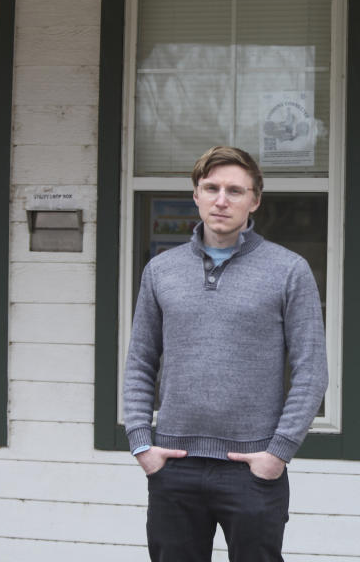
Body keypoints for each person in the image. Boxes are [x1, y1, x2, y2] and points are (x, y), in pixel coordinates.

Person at [123, 145, 328, 562]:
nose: (221, 199)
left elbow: (311, 372)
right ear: (195, 195)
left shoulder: (288, 270)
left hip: (252, 468)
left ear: (254, 200)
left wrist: (277, 454)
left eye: (235, 190)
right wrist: (142, 444)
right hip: (174, 465)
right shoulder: (162, 270)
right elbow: (140, 362)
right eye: (211, 187)